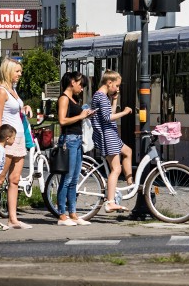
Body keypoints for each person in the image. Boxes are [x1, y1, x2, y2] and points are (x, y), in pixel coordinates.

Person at [0, 58, 33, 230]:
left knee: (15, 179)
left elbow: (15, 110)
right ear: (8, 71)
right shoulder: (1, 91)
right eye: (17, 71)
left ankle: (13, 218)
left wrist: (25, 109)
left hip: (18, 139)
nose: (20, 74)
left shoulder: (13, 90)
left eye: (20, 72)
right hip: (7, 140)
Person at [90, 70, 133, 213]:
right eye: (117, 85)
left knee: (128, 151)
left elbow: (109, 114)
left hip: (111, 134)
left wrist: (114, 100)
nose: (118, 89)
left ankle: (130, 184)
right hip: (107, 135)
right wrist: (125, 112)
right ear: (109, 83)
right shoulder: (101, 97)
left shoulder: (101, 96)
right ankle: (110, 202)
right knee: (116, 169)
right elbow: (108, 118)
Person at [56, 71, 95, 226]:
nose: (81, 88)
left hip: (77, 139)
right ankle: (62, 214)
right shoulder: (64, 98)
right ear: (72, 82)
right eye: (80, 84)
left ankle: (72, 213)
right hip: (69, 140)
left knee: (74, 178)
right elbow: (62, 120)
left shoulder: (74, 99)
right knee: (67, 178)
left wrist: (87, 115)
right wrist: (81, 116)